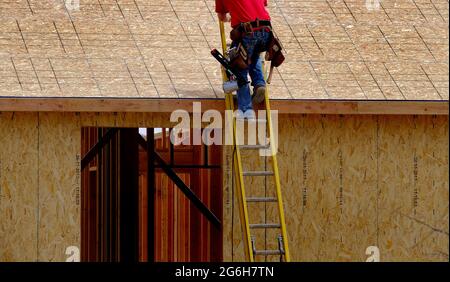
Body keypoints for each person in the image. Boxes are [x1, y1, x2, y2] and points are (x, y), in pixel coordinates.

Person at [216, 0, 272, 119]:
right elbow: (262, 5)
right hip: (266, 30)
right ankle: (259, 83)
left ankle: (246, 110)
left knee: (238, 67)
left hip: (248, 31)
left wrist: (230, 18)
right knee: (251, 54)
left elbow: (222, 16)